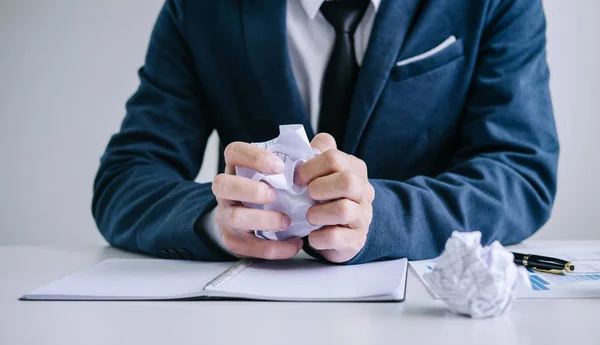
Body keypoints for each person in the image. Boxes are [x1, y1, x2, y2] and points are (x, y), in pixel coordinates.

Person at [92, 0, 559, 264]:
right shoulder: (200, 10)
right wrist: (214, 222)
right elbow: (125, 180)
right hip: (245, 326)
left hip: (427, 309)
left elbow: (519, 173)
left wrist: (382, 219)